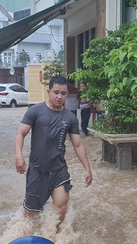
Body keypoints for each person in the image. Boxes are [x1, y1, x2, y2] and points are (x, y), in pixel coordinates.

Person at [14, 75, 93, 222]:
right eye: (56, 92)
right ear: (48, 91)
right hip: (37, 171)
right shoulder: (35, 111)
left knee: (61, 208)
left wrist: (87, 169)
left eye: (63, 94)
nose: (59, 96)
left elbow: (78, 144)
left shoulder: (70, 118)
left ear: (67, 95)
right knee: (31, 215)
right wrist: (19, 156)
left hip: (59, 171)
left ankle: (53, 237)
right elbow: (21, 133)